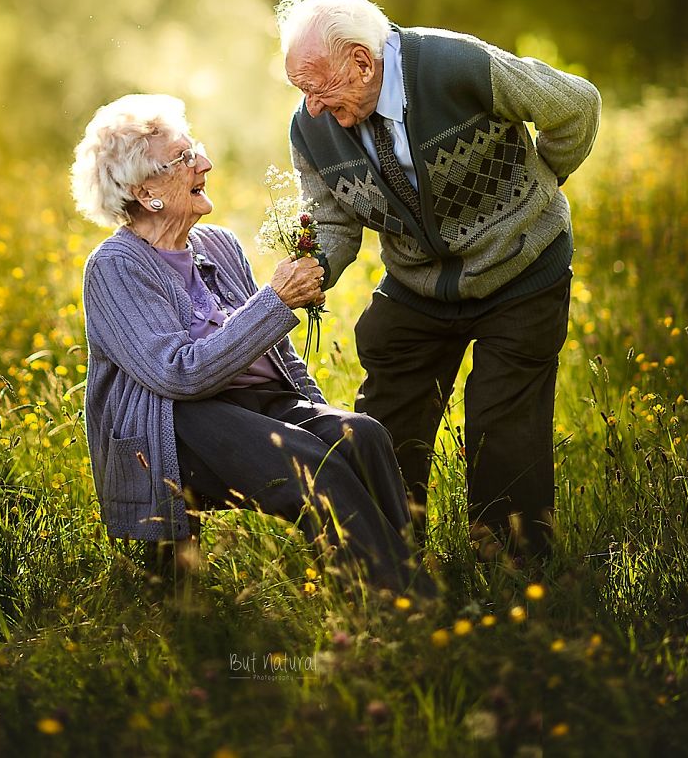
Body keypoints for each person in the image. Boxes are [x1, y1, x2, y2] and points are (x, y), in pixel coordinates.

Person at [276, 0, 602, 559]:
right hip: (420, 283)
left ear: (361, 61)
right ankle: (386, 551)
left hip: (521, 268)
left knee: (503, 422)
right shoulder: (312, 128)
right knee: (387, 405)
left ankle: (512, 562)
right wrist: (315, 266)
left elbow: (576, 104)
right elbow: (331, 219)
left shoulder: (455, 64)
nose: (313, 107)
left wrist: (535, 186)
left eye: (315, 86)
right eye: (300, 90)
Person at [71, 92, 428, 593]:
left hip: (261, 406)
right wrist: (275, 301)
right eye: (184, 158)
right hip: (181, 427)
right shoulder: (115, 266)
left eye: (195, 148)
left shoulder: (218, 243)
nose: (205, 162)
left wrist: (319, 413)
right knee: (311, 465)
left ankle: (386, 584)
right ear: (145, 190)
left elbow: (275, 351)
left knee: (360, 435)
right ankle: (408, 606)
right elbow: (178, 374)